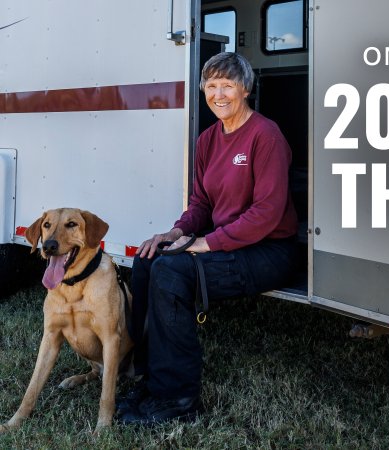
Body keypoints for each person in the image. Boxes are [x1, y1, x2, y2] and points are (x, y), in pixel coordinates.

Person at [117, 52, 298, 425]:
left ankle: (178, 399)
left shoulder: (266, 135)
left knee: (172, 274)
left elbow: (267, 213)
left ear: (245, 89)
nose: (219, 94)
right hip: (228, 241)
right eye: (212, 86)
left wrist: (204, 244)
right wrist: (177, 232)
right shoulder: (207, 140)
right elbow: (201, 203)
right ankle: (148, 376)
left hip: (271, 250)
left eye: (228, 86)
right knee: (148, 260)